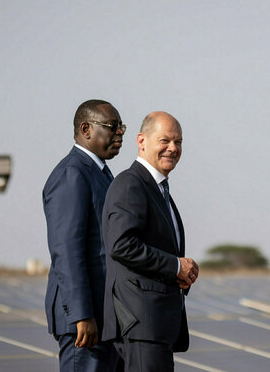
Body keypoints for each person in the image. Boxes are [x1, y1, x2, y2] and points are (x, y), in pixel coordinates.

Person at [101, 111, 199, 371]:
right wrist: (175, 266)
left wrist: (180, 272)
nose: (173, 148)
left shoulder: (158, 190)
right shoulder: (130, 184)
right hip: (141, 323)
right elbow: (121, 245)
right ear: (142, 141)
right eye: (164, 140)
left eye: (178, 142)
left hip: (156, 326)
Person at [43, 99, 125, 371]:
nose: (119, 135)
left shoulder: (100, 172)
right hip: (86, 322)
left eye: (121, 128)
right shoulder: (72, 173)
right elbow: (67, 250)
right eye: (112, 127)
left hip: (106, 317)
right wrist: (81, 315)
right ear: (86, 129)